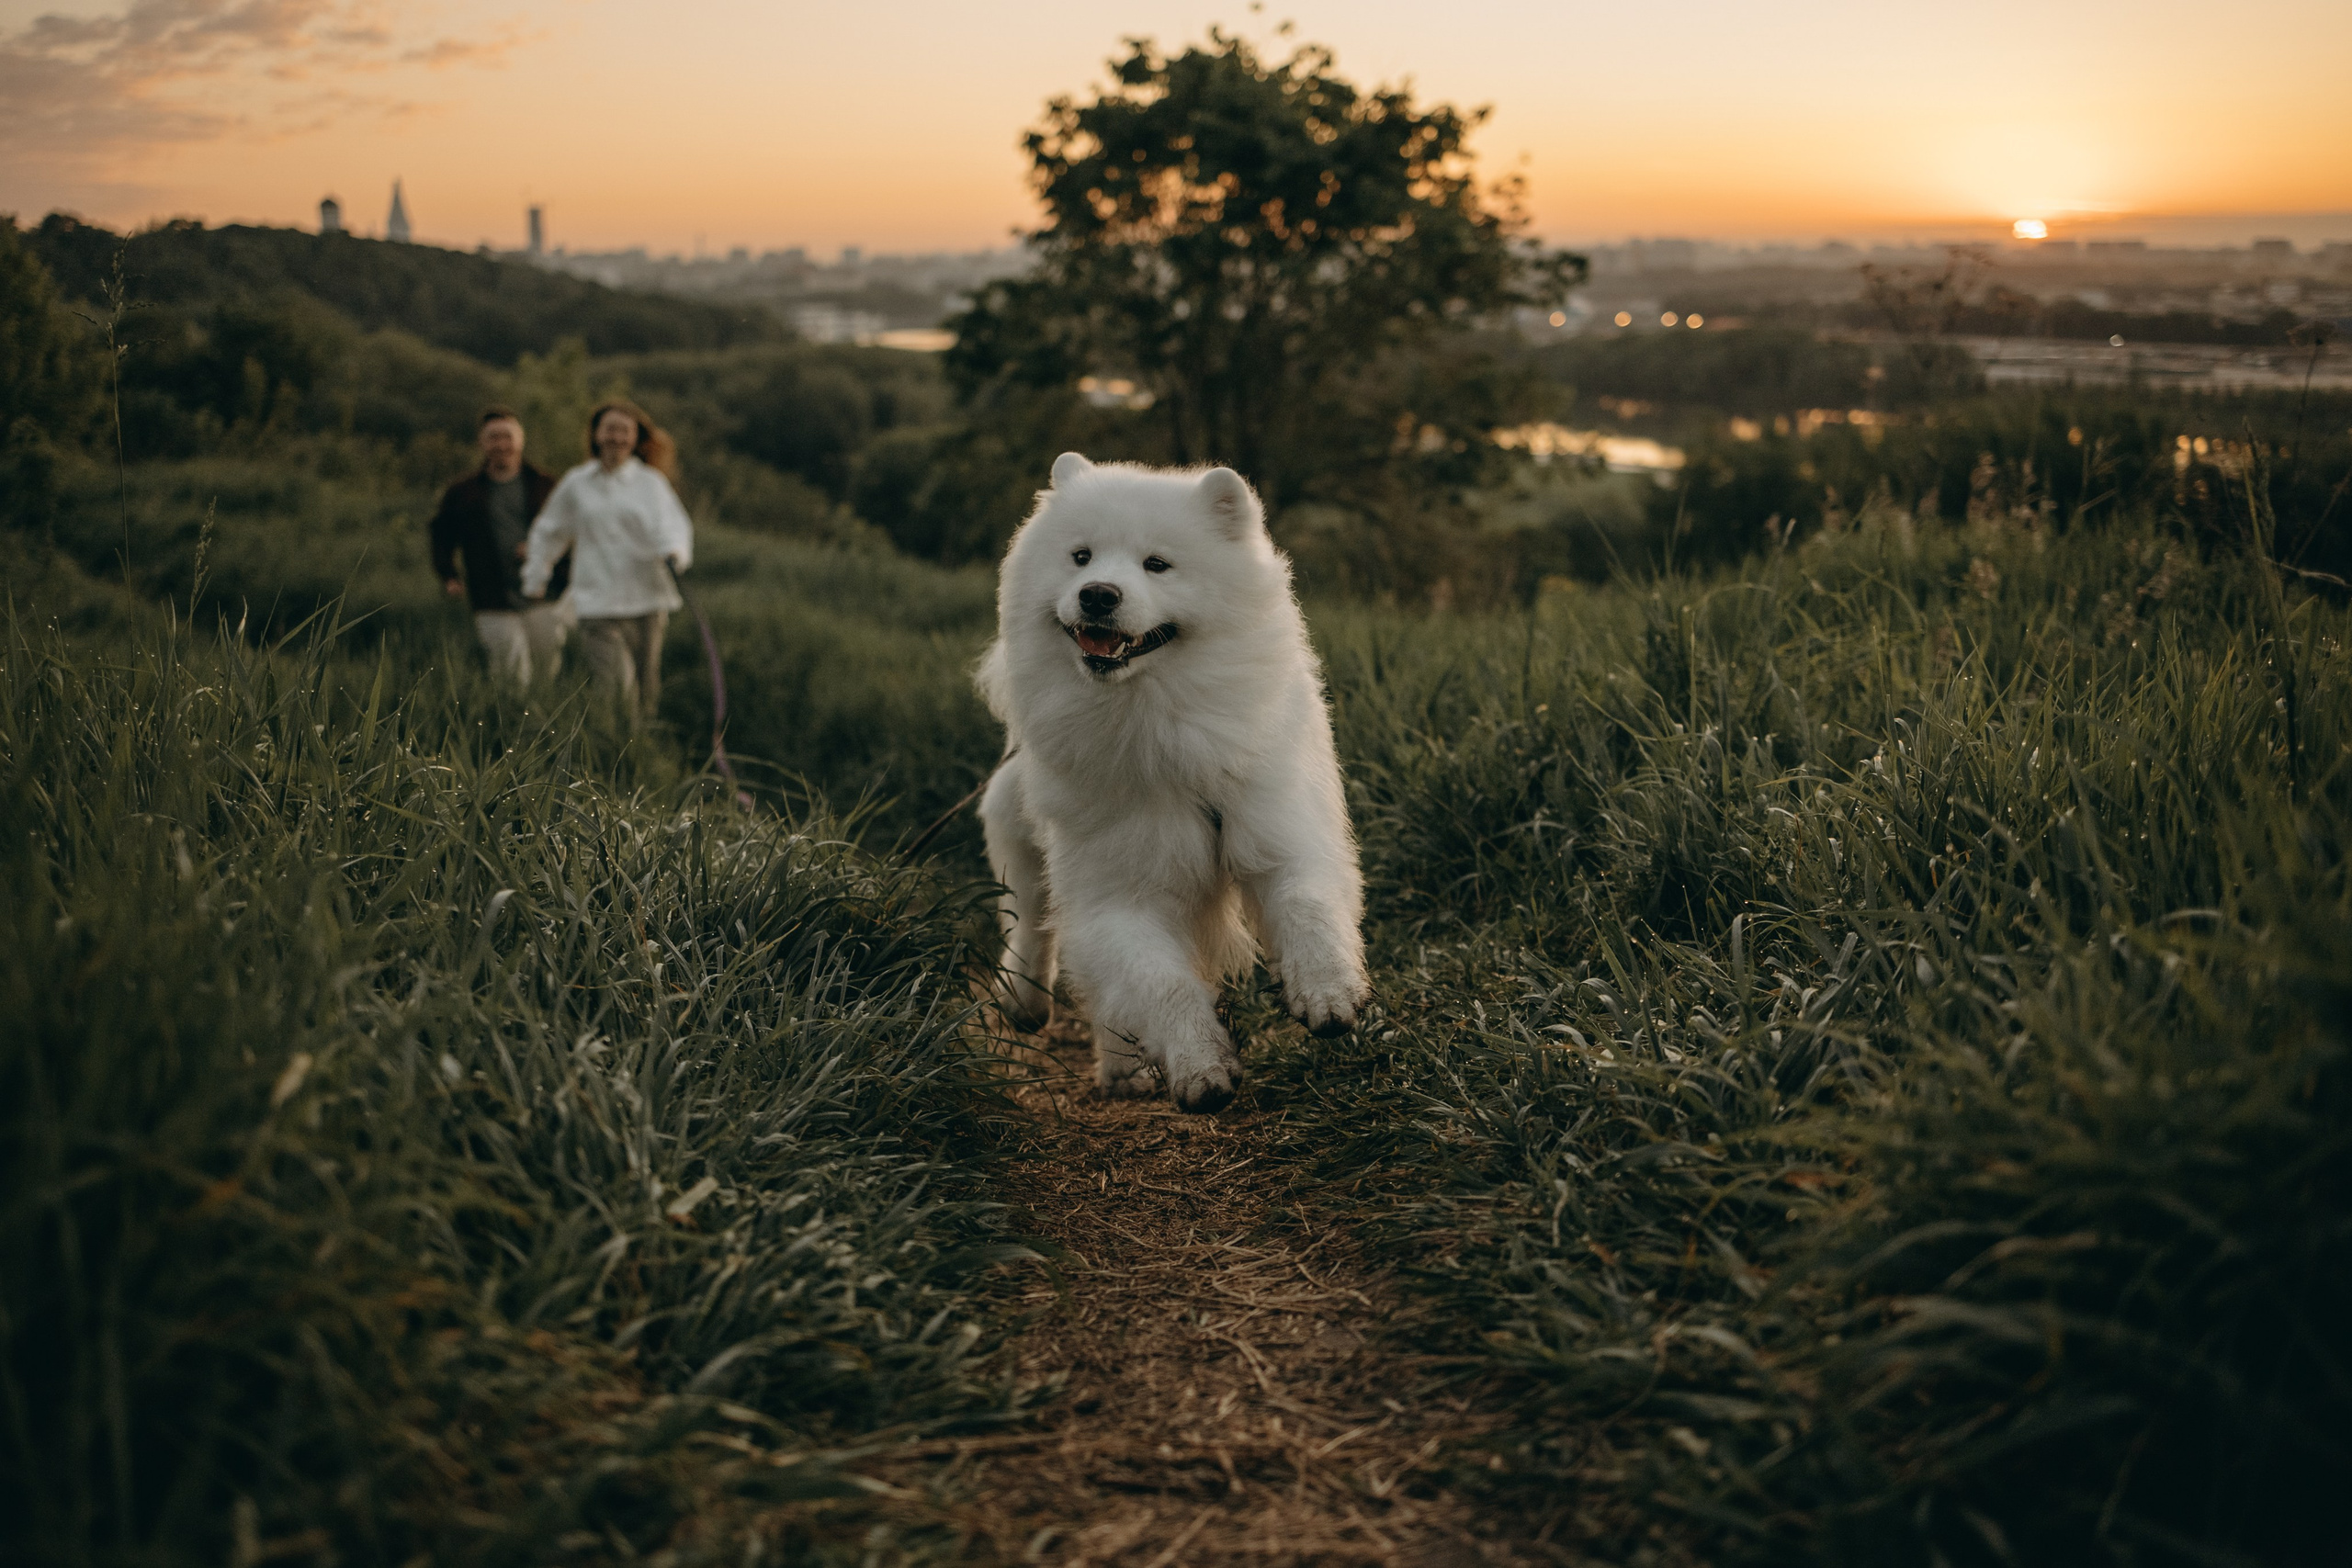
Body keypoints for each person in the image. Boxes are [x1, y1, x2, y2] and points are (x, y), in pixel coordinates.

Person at [522, 399, 694, 729]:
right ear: (597, 435)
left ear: (635, 439)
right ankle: (614, 750)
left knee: (646, 692)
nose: (617, 437)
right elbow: (549, 530)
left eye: (624, 431)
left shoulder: (651, 483)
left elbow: (675, 527)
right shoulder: (576, 483)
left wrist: (675, 553)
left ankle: (638, 757)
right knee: (616, 688)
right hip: (596, 601)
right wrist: (535, 576)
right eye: (610, 429)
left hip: (647, 600)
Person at [428, 405, 574, 685]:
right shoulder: (463, 492)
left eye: (507, 436)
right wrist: (449, 575)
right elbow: (441, 534)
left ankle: (544, 726)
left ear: (521, 440)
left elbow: (571, 534)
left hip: (545, 594)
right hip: (491, 596)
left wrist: (540, 550)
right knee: (511, 675)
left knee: (546, 673)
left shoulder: (546, 485)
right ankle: (509, 724)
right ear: (482, 443)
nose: (501, 444)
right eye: (493, 437)